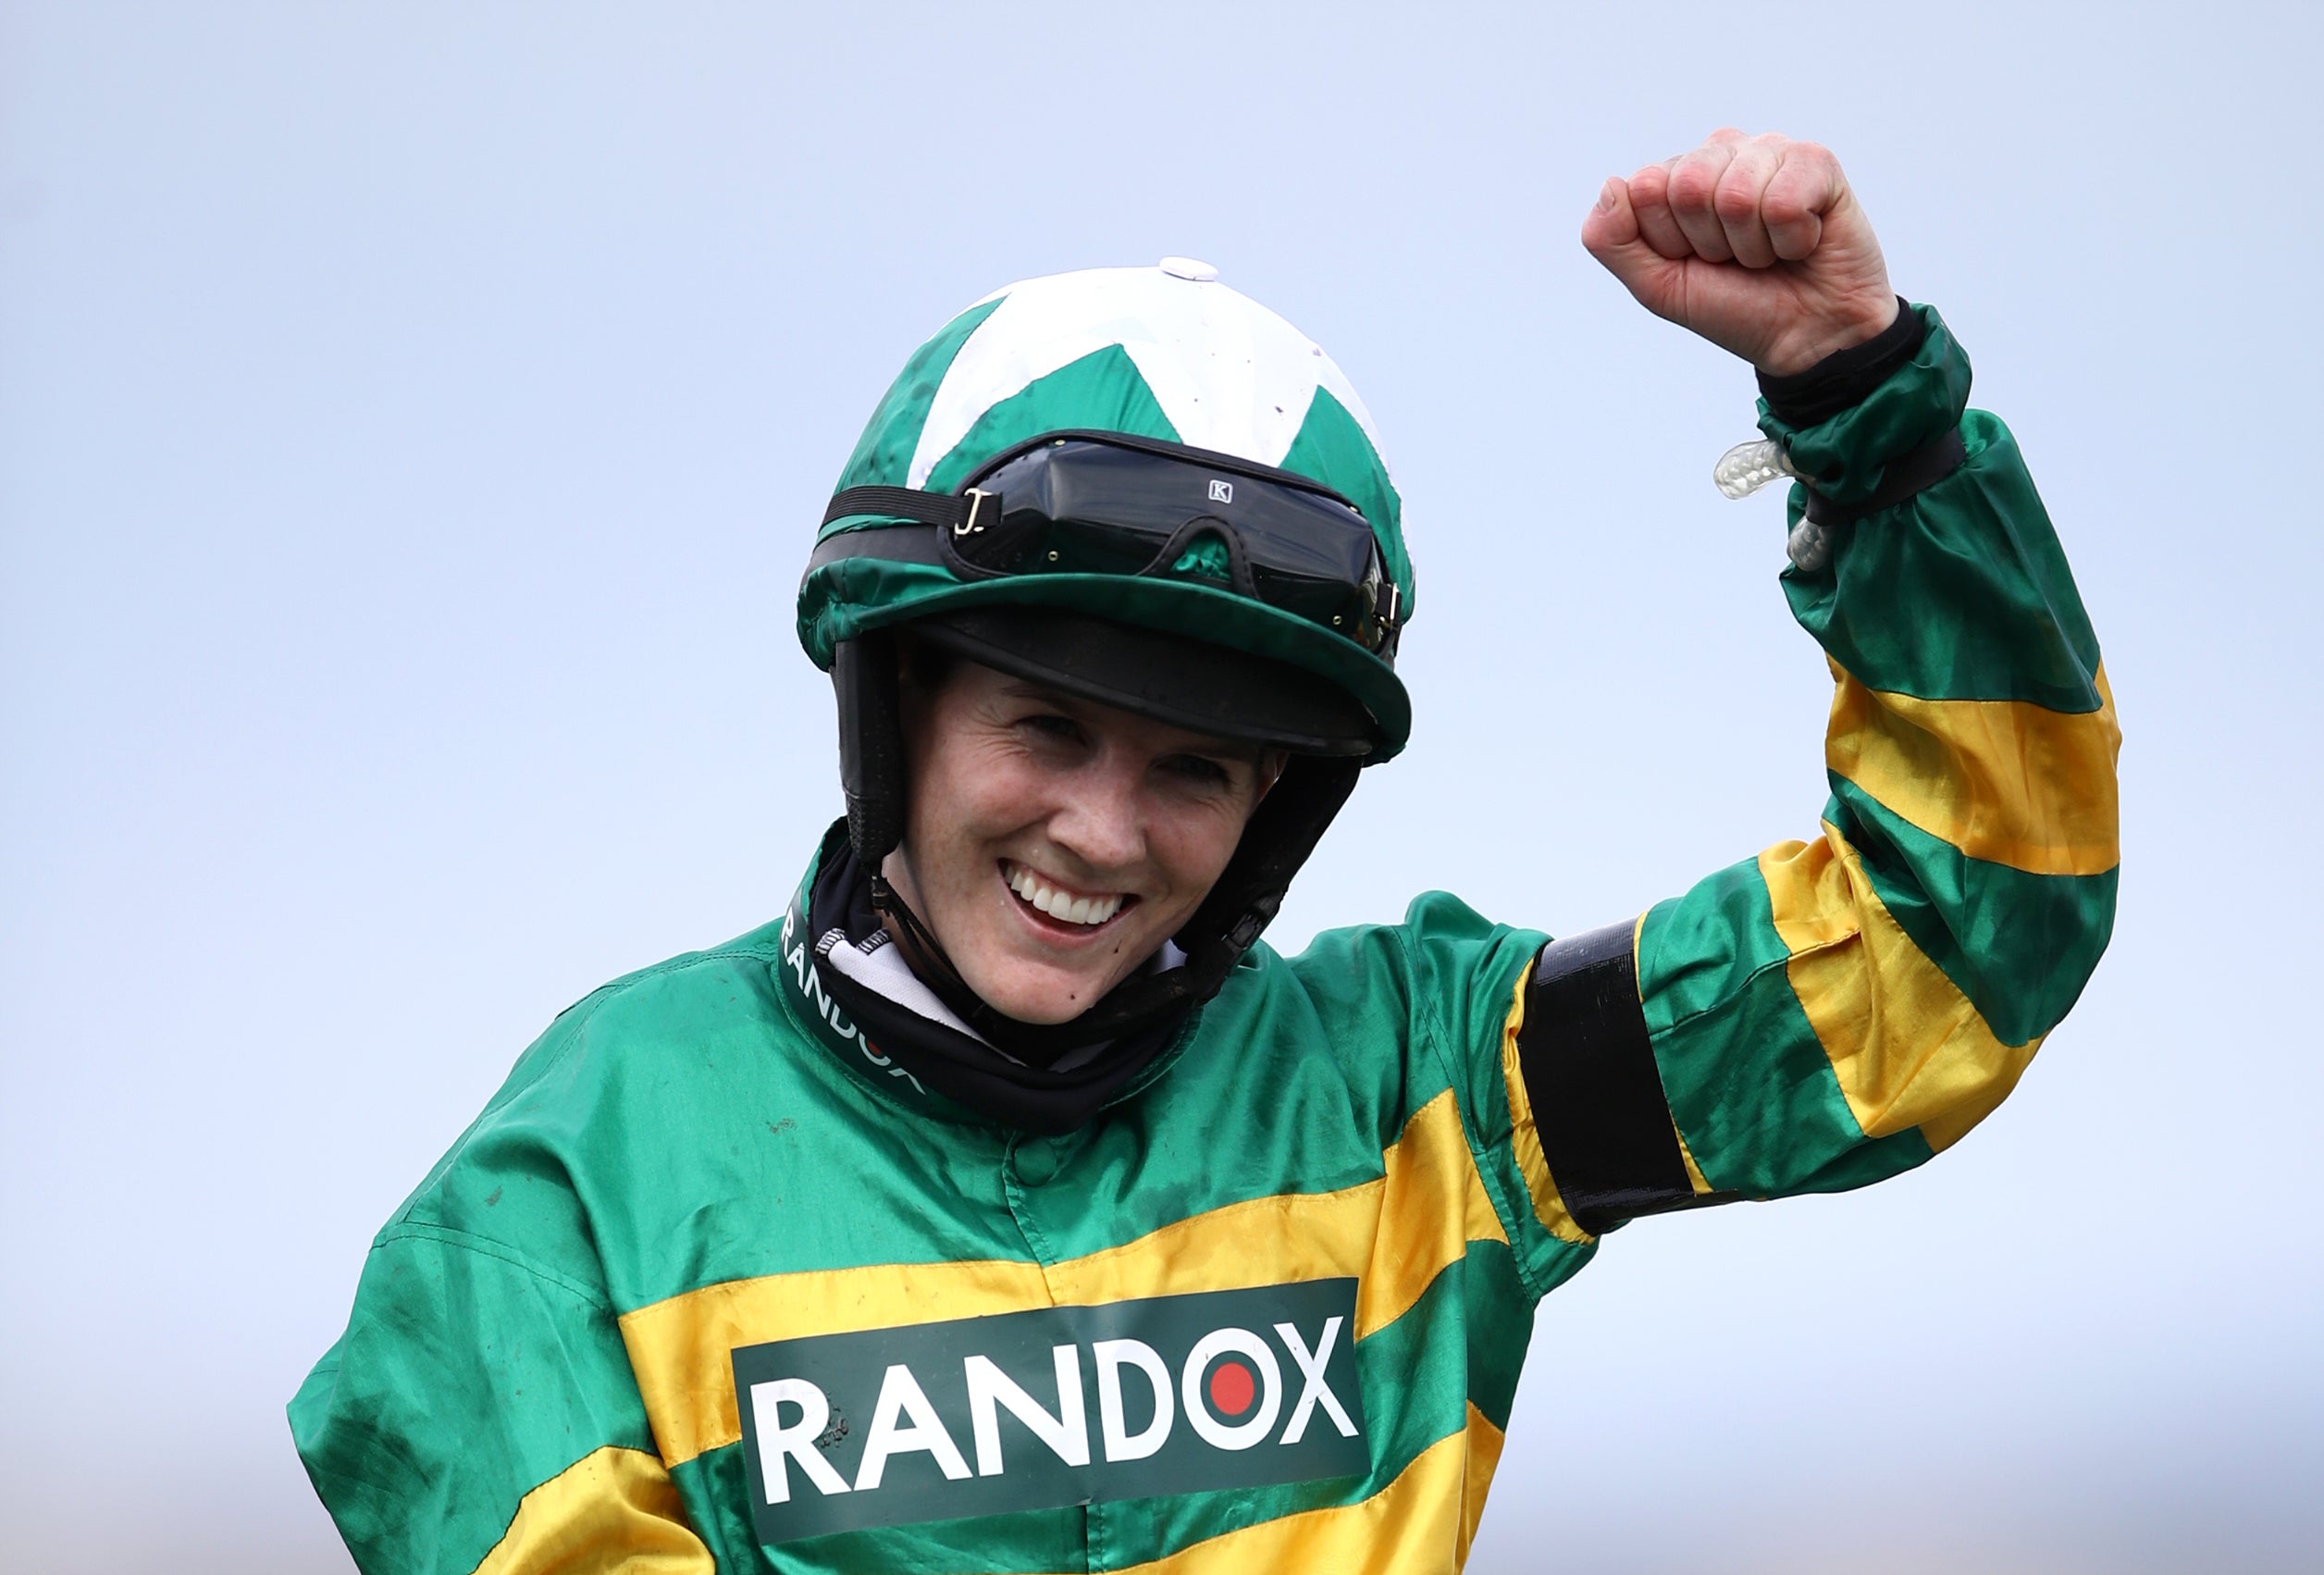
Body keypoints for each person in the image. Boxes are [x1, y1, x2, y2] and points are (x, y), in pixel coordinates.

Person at [290, 130, 2120, 1574]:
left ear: (1277, 807)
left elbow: (1956, 936)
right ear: (898, 700)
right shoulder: (575, 1175)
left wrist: (1868, 417)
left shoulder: (1428, 1090)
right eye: (1043, 728)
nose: (1099, 830)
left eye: (1194, 766)